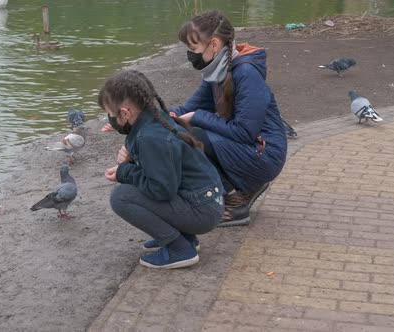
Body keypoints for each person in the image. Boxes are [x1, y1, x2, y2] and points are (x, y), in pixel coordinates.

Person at [171, 10, 288, 227]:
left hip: (265, 153)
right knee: (180, 130)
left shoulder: (247, 74)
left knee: (190, 137)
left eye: (193, 49)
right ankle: (243, 188)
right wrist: (144, 116)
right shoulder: (216, 71)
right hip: (249, 148)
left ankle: (235, 201)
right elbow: (185, 109)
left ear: (214, 44)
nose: (190, 55)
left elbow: (244, 132)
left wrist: (198, 117)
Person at [100, 70, 225, 269]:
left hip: (202, 210)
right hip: (208, 201)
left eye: (111, 114)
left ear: (125, 113)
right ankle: (185, 239)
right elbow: (164, 173)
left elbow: (161, 189)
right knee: (133, 191)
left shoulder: (150, 137)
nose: (110, 119)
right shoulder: (158, 120)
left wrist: (125, 172)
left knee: (121, 197)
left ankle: (179, 249)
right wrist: (131, 161)